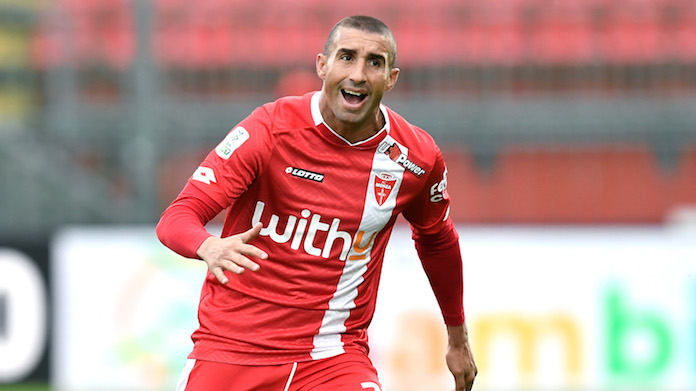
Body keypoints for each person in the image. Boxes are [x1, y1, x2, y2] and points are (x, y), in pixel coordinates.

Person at [156, 15, 477, 391]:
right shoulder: (269, 130)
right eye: (346, 57)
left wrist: (457, 337)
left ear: (391, 78)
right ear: (322, 65)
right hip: (232, 348)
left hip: (332, 357)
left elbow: (437, 239)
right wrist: (207, 245)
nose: (358, 74)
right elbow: (178, 216)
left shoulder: (414, 158)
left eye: (374, 62)